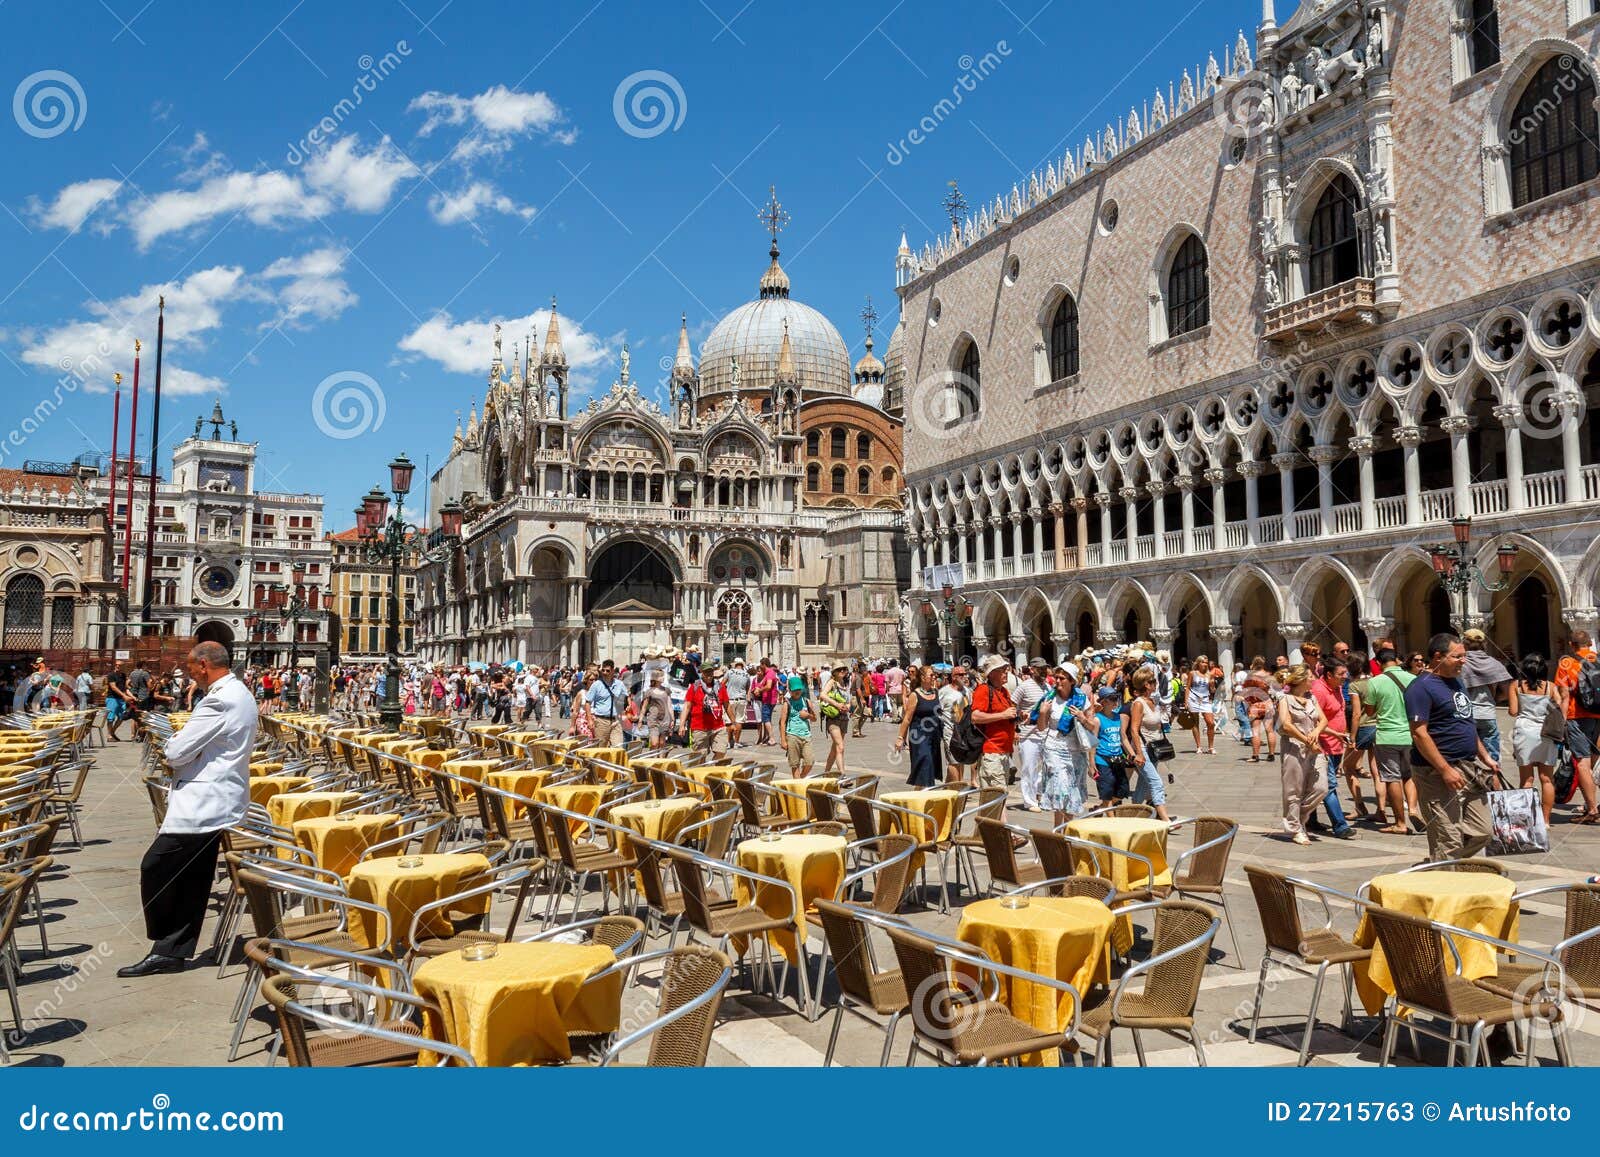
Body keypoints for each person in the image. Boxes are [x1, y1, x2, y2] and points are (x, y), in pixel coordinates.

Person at [118, 642, 256, 977]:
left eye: (190, 665)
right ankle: (171, 951)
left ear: (204, 665)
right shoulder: (241, 693)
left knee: (157, 866)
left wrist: (180, 748)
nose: (187, 670)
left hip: (202, 803)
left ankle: (167, 942)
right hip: (219, 799)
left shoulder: (219, 700)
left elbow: (176, 752)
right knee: (193, 876)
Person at [1406, 632, 1500, 861]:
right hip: (1436, 771)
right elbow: (1419, 734)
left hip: (1468, 766)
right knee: (1447, 837)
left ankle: (1434, 866)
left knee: (1483, 832)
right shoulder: (1421, 687)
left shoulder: (1456, 682)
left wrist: (1485, 756)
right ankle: (1443, 879)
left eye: (1464, 656)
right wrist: (1445, 770)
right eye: (1457, 656)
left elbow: (1466, 721)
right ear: (1438, 657)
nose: (1463, 661)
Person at [1365, 647, 1420, 836]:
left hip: (1386, 736)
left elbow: (1370, 711)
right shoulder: (1413, 679)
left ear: (1379, 663)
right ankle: (1412, 809)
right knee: (1409, 775)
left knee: (1391, 778)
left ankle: (1400, 822)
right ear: (1397, 660)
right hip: (1411, 735)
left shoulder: (1374, 682)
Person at [1509, 654, 1566, 824]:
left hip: (1524, 732)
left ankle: (1526, 820)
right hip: (1546, 733)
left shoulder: (1516, 685)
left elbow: (1513, 711)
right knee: (1547, 778)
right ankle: (1546, 821)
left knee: (1526, 779)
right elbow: (1559, 709)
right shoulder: (1550, 687)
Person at [1276, 664, 1327, 846]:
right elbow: (1286, 725)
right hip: (1294, 747)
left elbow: (1323, 719)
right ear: (1303, 680)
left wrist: (1316, 733)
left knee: (1321, 788)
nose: (1314, 679)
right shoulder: (1285, 699)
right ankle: (1295, 828)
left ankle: (1299, 817)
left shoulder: (1311, 698)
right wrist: (1306, 740)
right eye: (1311, 677)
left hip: (1314, 748)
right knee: (1293, 790)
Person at [1037, 664, 1092, 826]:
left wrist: (1082, 717)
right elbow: (1041, 727)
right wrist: (1042, 712)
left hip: (1076, 750)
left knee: (1071, 790)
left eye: (1062, 678)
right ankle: (1058, 828)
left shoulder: (1082, 699)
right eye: (1057, 677)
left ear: (1072, 681)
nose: (1057, 681)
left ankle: (1066, 830)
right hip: (1053, 746)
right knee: (1061, 787)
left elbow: (1093, 727)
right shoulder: (1050, 698)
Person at [1555, 629, 1600, 825]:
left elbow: (1564, 696)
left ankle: (1592, 809)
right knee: (1594, 761)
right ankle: (1590, 804)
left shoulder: (1567, 663)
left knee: (1582, 763)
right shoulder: (1598, 660)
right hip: (1598, 716)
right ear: (1590, 643)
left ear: (1572, 645)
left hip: (1577, 717)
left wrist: (1562, 721)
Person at [1309, 658, 1357, 839]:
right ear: (1328, 675)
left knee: (1315, 784)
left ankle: (1309, 820)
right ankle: (1340, 825)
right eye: (1341, 674)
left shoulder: (1337, 687)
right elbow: (1314, 719)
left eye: (1346, 673)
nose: (1345, 677)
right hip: (1323, 745)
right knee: (1329, 785)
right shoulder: (1319, 690)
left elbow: (1338, 713)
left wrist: (1343, 734)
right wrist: (1334, 734)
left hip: (1336, 744)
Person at [1461, 628, 1512, 766]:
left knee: (1467, 760)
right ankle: (1493, 785)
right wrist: (1494, 699)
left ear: (1464, 643)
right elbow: (1507, 692)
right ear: (1484, 644)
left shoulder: (1460, 664)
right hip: (1487, 713)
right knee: (1492, 760)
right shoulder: (1494, 663)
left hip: (1465, 715)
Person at [1125, 668, 1170, 821]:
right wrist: (1138, 753)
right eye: (1152, 681)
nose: (1155, 683)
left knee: (1143, 784)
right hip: (1143, 748)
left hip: (1154, 748)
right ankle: (1165, 820)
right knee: (1156, 782)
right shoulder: (1138, 704)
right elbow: (1133, 729)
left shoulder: (1153, 701)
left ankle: (1133, 816)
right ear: (1145, 684)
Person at [969, 655, 1018, 792]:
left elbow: (1006, 716)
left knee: (994, 799)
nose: (1006, 672)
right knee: (997, 796)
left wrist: (1018, 718)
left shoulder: (1004, 691)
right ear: (991, 674)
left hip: (1005, 751)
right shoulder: (983, 690)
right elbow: (975, 716)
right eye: (1002, 669)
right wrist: (1003, 715)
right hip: (991, 752)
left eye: (1006, 668)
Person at [895, 665, 944, 788]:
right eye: (931, 675)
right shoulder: (915, 695)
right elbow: (907, 719)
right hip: (919, 736)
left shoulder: (936, 692)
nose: (934, 677)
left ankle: (919, 794)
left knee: (929, 769)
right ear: (922, 677)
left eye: (934, 675)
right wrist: (901, 738)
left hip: (934, 736)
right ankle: (923, 798)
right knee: (925, 762)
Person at [1013, 659, 1050, 812]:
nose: (1044, 672)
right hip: (1028, 734)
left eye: (1045, 669)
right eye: (1040, 669)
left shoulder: (1048, 687)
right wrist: (1014, 728)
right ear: (1033, 669)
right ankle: (1029, 801)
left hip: (1045, 733)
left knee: (1044, 768)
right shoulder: (1024, 686)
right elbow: (1012, 706)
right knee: (1028, 768)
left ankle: (1038, 795)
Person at [1083, 685, 1128, 804]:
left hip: (1118, 759)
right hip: (1103, 760)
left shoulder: (1118, 717)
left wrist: (1132, 754)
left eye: (1116, 698)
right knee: (1107, 793)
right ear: (1104, 701)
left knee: (1122, 791)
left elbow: (1123, 738)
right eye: (1113, 699)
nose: (1116, 702)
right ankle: (1111, 820)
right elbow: (1093, 741)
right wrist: (1091, 763)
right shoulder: (1097, 719)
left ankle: (1100, 809)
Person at [679, 662, 729, 758]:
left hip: (718, 726)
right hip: (699, 727)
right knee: (700, 756)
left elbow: (727, 705)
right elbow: (687, 707)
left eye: (710, 672)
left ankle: (713, 771)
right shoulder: (695, 687)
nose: (709, 675)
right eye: (706, 672)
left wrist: (734, 722)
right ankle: (697, 771)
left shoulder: (720, 687)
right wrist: (682, 725)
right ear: (702, 673)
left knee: (721, 751)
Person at [775, 674, 817, 776]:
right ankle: (797, 786)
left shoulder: (806, 702)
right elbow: (782, 722)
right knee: (795, 764)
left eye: (799, 689)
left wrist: (807, 715)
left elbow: (814, 718)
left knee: (810, 761)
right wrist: (783, 740)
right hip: (792, 735)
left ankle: (801, 778)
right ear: (790, 691)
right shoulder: (787, 704)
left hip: (806, 735)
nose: (797, 691)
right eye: (794, 690)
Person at [938, 665, 973, 785]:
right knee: (953, 761)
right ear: (953, 677)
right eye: (961, 675)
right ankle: (956, 788)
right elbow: (937, 711)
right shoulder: (944, 692)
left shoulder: (967, 691)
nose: (965, 677)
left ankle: (951, 785)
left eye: (965, 674)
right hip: (950, 731)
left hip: (964, 732)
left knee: (960, 760)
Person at [1241, 657, 1276, 763]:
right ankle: (1271, 755)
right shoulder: (1268, 675)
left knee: (1255, 731)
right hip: (1268, 703)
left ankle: (1255, 756)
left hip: (1255, 705)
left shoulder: (1250, 676)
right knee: (1270, 731)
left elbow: (1245, 691)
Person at [586, 660, 629, 747]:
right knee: (600, 748)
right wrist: (590, 719)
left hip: (616, 721)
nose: (605, 673)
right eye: (603, 670)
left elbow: (627, 697)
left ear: (613, 671)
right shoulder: (596, 685)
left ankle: (614, 761)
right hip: (601, 721)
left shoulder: (619, 684)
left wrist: (628, 706)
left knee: (618, 747)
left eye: (608, 671)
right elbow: (588, 702)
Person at [819, 664, 852, 776]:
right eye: (840, 669)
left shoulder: (845, 683)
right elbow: (822, 695)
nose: (843, 671)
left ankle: (826, 772)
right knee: (840, 747)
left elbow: (849, 700)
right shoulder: (832, 682)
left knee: (835, 748)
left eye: (845, 669)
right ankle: (842, 775)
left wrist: (848, 706)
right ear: (835, 672)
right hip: (833, 719)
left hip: (844, 718)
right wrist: (837, 704)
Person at [1183, 655, 1219, 754]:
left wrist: (1212, 685)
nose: (1205, 664)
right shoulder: (1192, 673)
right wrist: (1186, 701)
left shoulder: (1209, 675)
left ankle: (1211, 747)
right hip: (1193, 699)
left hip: (1205, 700)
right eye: (1203, 662)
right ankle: (1199, 746)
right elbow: (1188, 687)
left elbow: (1212, 690)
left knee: (1210, 723)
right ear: (1198, 663)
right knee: (1195, 723)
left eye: (1206, 663)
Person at [723, 657, 751, 748]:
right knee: (739, 721)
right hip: (741, 699)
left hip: (730, 699)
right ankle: (736, 742)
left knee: (729, 721)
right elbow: (747, 688)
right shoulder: (746, 675)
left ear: (734, 664)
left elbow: (722, 684)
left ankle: (728, 742)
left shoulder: (730, 672)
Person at [752, 659, 779, 746]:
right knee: (767, 719)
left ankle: (772, 738)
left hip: (769, 700)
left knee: (766, 718)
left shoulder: (770, 673)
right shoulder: (768, 674)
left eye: (761, 665)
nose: (760, 667)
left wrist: (759, 690)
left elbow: (768, 686)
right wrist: (757, 689)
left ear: (764, 665)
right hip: (767, 699)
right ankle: (767, 737)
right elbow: (763, 684)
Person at [105, 662, 129, 741]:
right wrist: (124, 695)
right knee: (110, 718)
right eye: (116, 665)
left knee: (122, 717)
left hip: (121, 699)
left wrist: (131, 696)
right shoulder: (111, 675)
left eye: (120, 665)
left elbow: (125, 688)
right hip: (112, 698)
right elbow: (113, 687)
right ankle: (109, 736)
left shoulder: (123, 675)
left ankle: (112, 732)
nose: (118, 666)